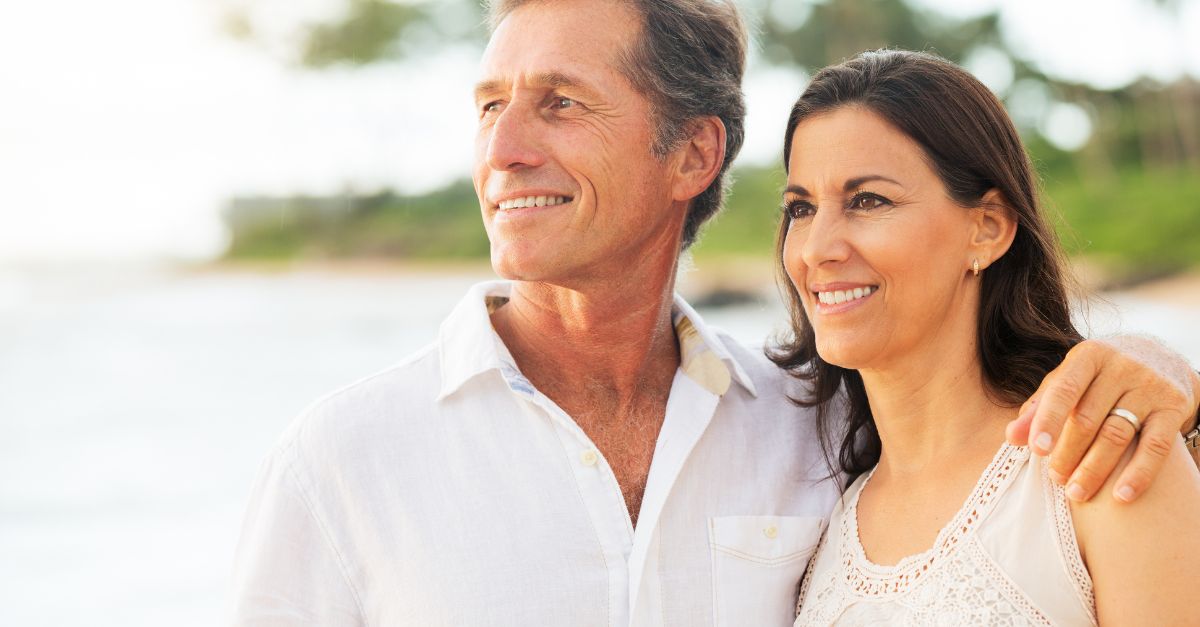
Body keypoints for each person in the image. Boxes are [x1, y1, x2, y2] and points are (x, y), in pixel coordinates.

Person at [230, 2, 1200, 626]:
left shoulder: (807, 420)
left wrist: (1156, 368)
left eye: (560, 103)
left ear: (692, 156)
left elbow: (972, 412)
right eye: (490, 107)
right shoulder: (343, 464)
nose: (505, 150)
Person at [783, 50, 1200, 626]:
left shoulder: (1099, 464)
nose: (815, 249)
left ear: (988, 229)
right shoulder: (812, 503)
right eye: (800, 208)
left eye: (869, 201)